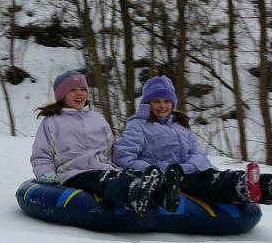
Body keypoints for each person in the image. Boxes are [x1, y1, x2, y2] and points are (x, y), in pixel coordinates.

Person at [112, 75, 272, 206]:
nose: (162, 105)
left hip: (194, 170)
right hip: (170, 178)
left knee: (220, 176)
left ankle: (270, 186)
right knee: (211, 185)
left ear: (172, 103)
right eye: (156, 101)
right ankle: (246, 188)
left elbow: (197, 152)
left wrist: (190, 165)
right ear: (147, 103)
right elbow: (123, 158)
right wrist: (155, 170)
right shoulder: (138, 125)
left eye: (167, 101)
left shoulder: (179, 124)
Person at [30, 70, 173, 215]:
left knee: (127, 174)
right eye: (72, 90)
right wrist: (45, 173)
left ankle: (162, 191)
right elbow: (42, 153)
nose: (79, 93)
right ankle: (136, 195)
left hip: (102, 167)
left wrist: (120, 166)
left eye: (83, 89)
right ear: (61, 95)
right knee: (109, 182)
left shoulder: (97, 118)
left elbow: (109, 149)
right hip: (74, 173)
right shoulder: (52, 121)